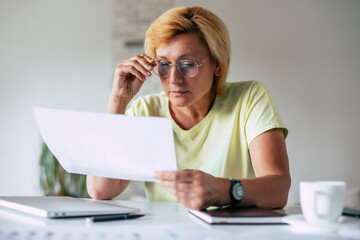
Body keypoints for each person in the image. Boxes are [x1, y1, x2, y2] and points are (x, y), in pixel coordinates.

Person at [87, 6, 291, 210]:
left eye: (188, 64)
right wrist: (119, 99)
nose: (174, 79)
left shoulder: (249, 98)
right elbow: (100, 189)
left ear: (217, 64)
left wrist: (222, 190)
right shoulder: (146, 111)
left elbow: (278, 189)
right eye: (164, 65)